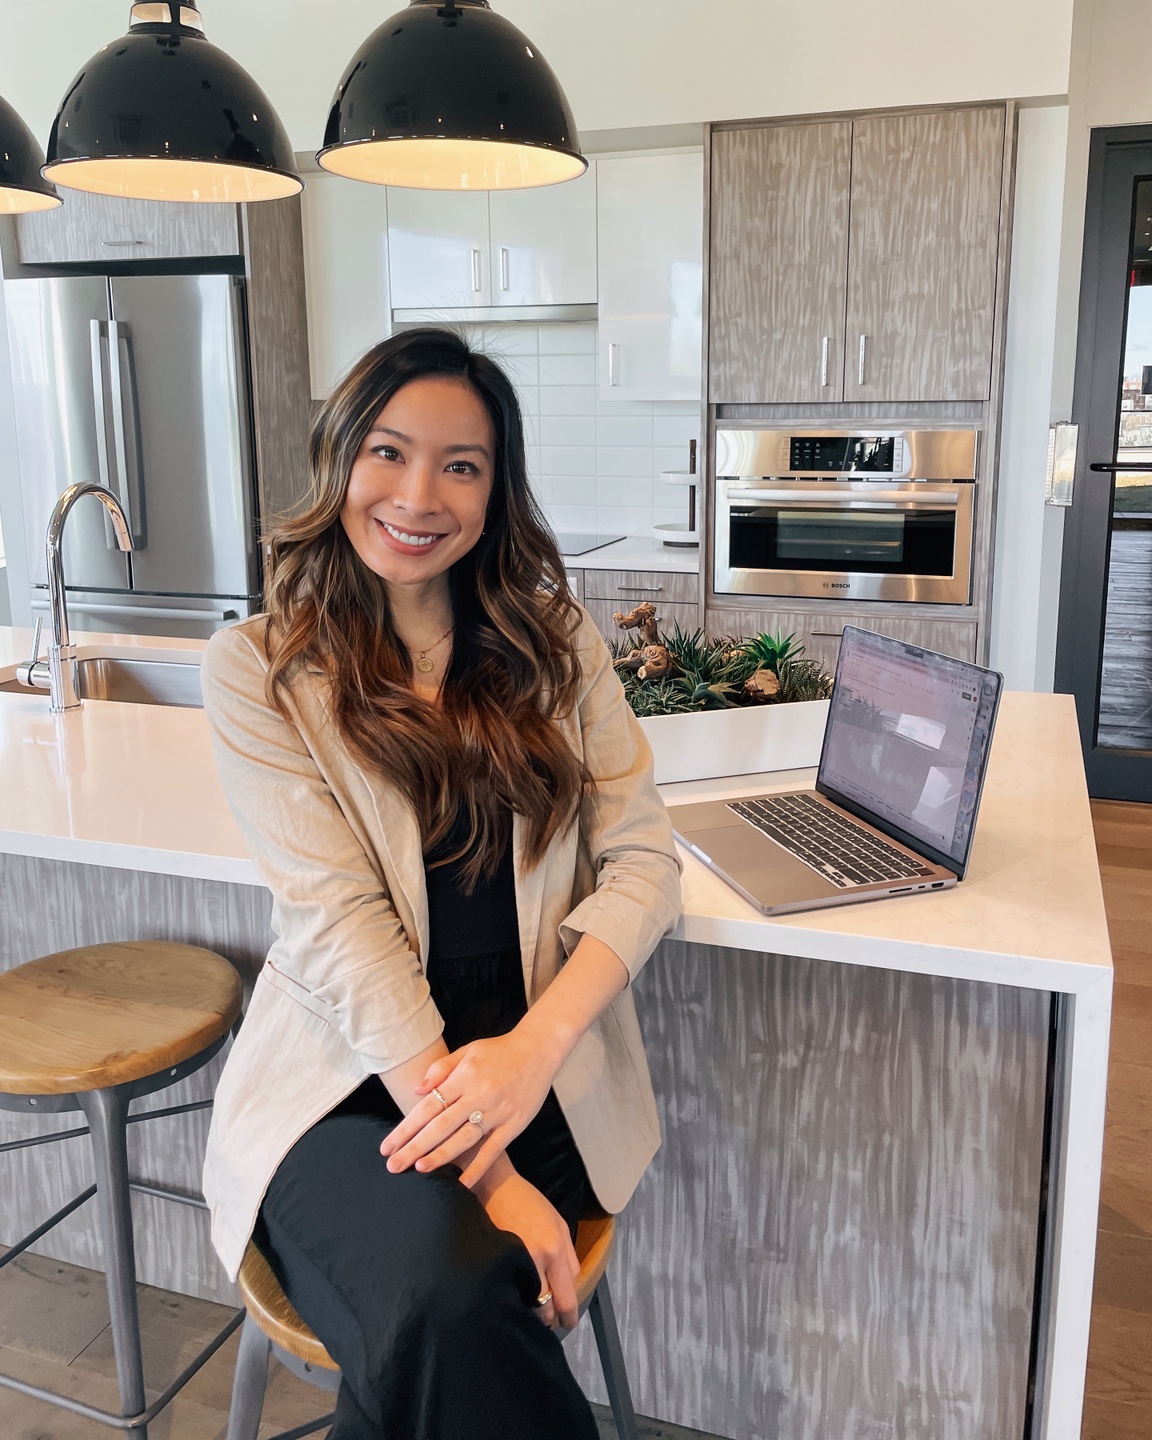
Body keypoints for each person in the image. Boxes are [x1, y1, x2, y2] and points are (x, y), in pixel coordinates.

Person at [199, 327, 682, 1440]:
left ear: (494, 491)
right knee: (443, 1302)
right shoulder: (261, 669)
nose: (419, 497)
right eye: (388, 451)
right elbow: (342, 927)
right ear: (340, 458)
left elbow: (645, 860)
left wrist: (531, 1053)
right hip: (349, 1074)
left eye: (461, 466)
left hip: (534, 1071)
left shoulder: (555, 645)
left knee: (432, 1326)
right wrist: (493, 1178)